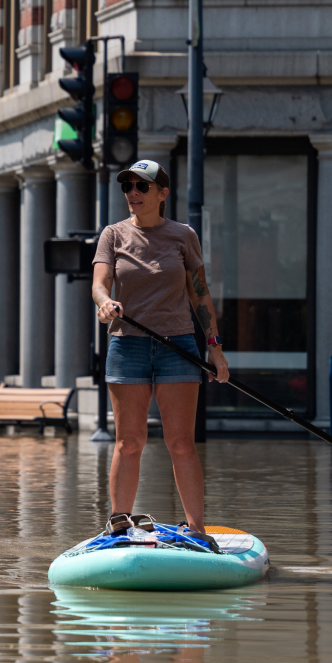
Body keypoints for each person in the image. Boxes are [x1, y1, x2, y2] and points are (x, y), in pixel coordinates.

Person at [91, 159, 229, 550]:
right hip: (127, 344)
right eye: (128, 186)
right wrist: (105, 302)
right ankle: (119, 526)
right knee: (128, 442)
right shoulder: (112, 235)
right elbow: (100, 284)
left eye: (142, 186)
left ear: (162, 194)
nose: (133, 193)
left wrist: (215, 350)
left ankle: (197, 530)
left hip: (179, 346)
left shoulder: (183, 236)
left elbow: (199, 295)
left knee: (181, 443)